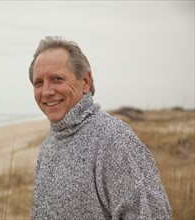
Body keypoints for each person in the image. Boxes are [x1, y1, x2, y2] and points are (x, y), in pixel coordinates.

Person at [29, 36, 172, 219]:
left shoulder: (114, 139)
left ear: (86, 82)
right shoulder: (49, 145)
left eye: (57, 79)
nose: (47, 91)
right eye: (39, 82)